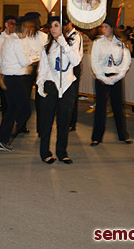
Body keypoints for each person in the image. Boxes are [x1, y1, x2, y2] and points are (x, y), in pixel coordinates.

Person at [37, 16, 81, 164]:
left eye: (57, 25)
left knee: (64, 121)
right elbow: (42, 68)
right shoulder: (47, 46)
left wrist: (64, 44)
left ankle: (62, 152)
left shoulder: (73, 42)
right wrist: (40, 84)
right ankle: (45, 152)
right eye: (51, 26)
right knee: (46, 121)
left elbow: (75, 61)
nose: (53, 28)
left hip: (67, 85)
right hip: (51, 85)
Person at [0, 16, 39, 151]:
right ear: (23, 29)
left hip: (10, 77)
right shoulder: (16, 42)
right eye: (29, 30)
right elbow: (24, 61)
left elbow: (4, 61)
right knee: (25, 110)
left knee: (12, 110)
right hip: (14, 79)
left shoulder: (9, 40)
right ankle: (7, 137)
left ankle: (1, 140)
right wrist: (37, 57)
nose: (29, 33)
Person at [90, 18, 133, 146]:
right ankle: (96, 137)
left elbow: (126, 60)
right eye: (102, 27)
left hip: (116, 77)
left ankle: (123, 135)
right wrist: (102, 77)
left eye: (106, 27)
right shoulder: (97, 43)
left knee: (118, 107)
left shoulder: (120, 43)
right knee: (100, 107)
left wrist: (118, 76)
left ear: (112, 28)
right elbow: (94, 61)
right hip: (102, 77)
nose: (103, 29)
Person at [20, 12, 48, 134]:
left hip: (41, 69)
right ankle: (21, 125)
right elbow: (22, 52)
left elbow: (46, 54)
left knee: (41, 99)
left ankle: (41, 128)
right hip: (27, 68)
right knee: (24, 98)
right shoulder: (23, 36)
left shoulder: (43, 36)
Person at [0, 15, 16, 113]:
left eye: (14, 24)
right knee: (5, 98)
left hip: (15, 73)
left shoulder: (18, 38)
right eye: (11, 23)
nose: (13, 26)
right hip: (3, 71)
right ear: (6, 25)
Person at [62, 16, 83, 132]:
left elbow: (75, 55)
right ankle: (67, 118)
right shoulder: (65, 36)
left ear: (70, 23)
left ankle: (72, 122)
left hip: (74, 66)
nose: (65, 27)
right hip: (65, 66)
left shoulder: (76, 36)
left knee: (72, 95)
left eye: (66, 24)